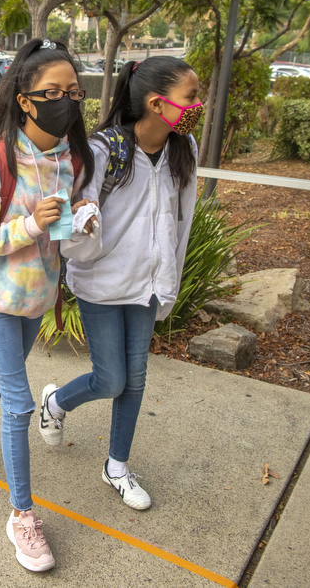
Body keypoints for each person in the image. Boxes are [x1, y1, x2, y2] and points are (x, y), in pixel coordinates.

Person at [0, 38, 94, 573]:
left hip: (37, 297)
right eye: (52, 92)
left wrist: (80, 219)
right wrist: (31, 224)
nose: (66, 101)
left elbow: (63, 234)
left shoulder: (67, 159)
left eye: (74, 92)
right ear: (25, 99)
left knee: (5, 380)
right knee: (20, 402)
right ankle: (22, 515)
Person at [39, 56, 201, 510]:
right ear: (156, 103)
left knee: (135, 380)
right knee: (110, 379)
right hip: (103, 283)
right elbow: (64, 218)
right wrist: (81, 223)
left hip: (149, 285)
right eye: (190, 97)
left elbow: (180, 223)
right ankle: (56, 402)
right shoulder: (103, 149)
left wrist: (171, 277)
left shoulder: (182, 147)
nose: (197, 105)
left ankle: (117, 467)